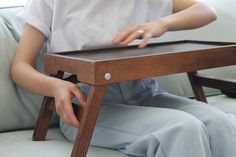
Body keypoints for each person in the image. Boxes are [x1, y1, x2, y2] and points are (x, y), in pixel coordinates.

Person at [11, 0, 236, 157]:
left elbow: (206, 10)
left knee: (221, 124)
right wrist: (55, 86)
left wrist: (161, 24)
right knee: (183, 129)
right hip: (87, 106)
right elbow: (20, 67)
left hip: (144, 91)